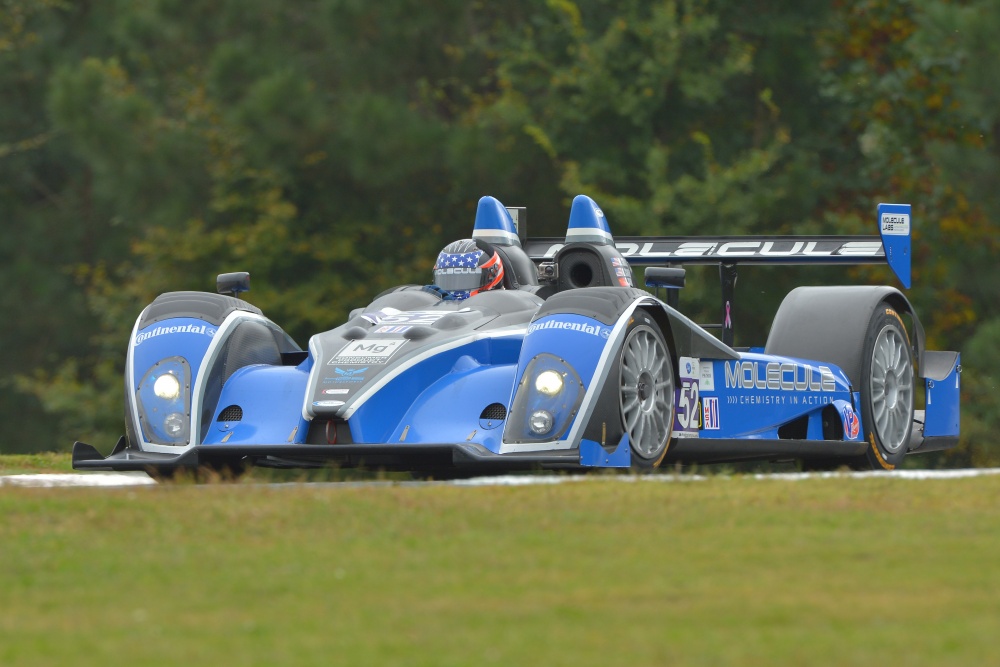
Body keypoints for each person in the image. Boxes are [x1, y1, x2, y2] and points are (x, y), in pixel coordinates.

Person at [431, 239, 505, 300]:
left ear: (492, 274)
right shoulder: (432, 304)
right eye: (447, 281)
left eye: (465, 280)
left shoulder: (509, 306)